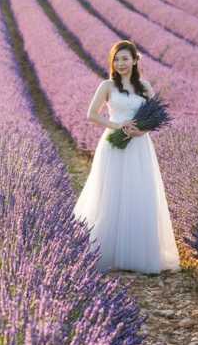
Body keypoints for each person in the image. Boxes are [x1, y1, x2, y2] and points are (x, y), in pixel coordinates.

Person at [72, 39, 180, 274]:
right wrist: (117, 125)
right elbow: (91, 114)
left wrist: (142, 130)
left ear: (134, 60)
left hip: (140, 146)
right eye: (116, 59)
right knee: (111, 192)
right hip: (114, 144)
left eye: (125, 58)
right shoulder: (107, 86)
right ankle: (105, 252)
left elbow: (157, 116)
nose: (121, 63)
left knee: (139, 193)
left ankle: (137, 255)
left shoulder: (145, 87)